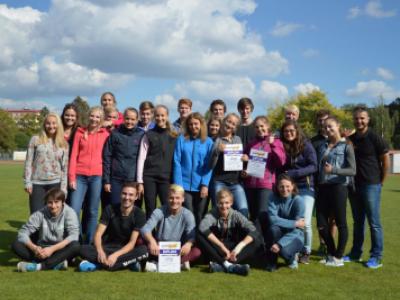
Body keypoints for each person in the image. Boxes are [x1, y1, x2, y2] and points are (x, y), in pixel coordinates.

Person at [345, 107, 390, 269]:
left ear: (368, 119)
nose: (359, 121)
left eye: (362, 118)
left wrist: (380, 182)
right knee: (358, 222)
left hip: (371, 185)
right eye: (356, 118)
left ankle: (376, 256)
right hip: (354, 186)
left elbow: (385, 161)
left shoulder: (375, 138)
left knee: (374, 223)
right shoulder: (351, 139)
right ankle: (356, 253)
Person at [79, 183, 148, 272]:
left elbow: (131, 243)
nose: (127, 197)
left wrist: (115, 255)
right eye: (124, 193)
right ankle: (127, 264)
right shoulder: (110, 209)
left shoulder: (139, 214)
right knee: (82, 249)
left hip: (124, 250)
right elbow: (98, 234)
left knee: (143, 251)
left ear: (136, 197)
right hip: (106, 248)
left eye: (131, 195)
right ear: (120, 194)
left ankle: (98, 265)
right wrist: (100, 251)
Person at [316, 117, 356, 267]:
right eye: (325, 127)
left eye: (330, 126)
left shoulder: (346, 146)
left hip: (339, 187)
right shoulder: (322, 145)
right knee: (321, 223)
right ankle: (332, 253)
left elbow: (353, 170)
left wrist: (334, 170)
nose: (327, 129)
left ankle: (339, 257)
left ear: (338, 126)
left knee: (340, 223)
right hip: (323, 187)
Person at [68, 106, 110, 244]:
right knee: (74, 210)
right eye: (92, 116)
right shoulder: (80, 133)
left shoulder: (105, 134)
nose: (94, 119)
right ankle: (76, 241)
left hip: (96, 177)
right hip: (79, 176)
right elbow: (73, 156)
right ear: (88, 116)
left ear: (101, 119)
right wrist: (71, 177)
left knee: (92, 211)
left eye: (98, 117)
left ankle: (89, 242)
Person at [12, 188, 80, 272]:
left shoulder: (70, 213)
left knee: (75, 246)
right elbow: (22, 233)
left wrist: (52, 249)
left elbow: (74, 236)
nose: (53, 206)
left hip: (60, 250)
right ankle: (56, 263)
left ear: (62, 202)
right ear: (46, 202)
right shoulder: (40, 214)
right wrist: (35, 248)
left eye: (56, 202)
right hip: (41, 250)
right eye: (50, 202)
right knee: (16, 244)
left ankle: (40, 266)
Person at [198, 189, 262, 276]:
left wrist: (239, 247)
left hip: (232, 249)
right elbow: (202, 226)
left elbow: (253, 230)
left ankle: (223, 265)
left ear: (231, 203)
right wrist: (221, 246)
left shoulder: (236, 215)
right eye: (221, 203)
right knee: (199, 235)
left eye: (227, 203)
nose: (224, 206)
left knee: (257, 239)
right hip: (217, 248)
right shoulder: (213, 213)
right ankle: (229, 265)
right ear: (217, 203)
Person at [280, 120, 317, 264]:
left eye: (291, 131)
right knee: (292, 221)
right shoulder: (284, 146)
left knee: (305, 222)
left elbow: (314, 166)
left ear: (297, 131)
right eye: (286, 131)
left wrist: (294, 173)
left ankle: (306, 251)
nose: (288, 133)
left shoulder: (306, 145)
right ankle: (293, 250)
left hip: (306, 188)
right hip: (290, 189)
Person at [140, 184, 201, 271]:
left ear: (183, 199)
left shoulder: (188, 214)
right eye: (171, 198)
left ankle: (157, 265)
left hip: (178, 251)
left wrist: (188, 244)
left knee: (197, 251)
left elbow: (192, 235)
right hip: (159, 249)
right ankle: (179, 265)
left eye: (177, 198)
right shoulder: (159, 211)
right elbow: (145, 229)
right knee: (140, 243)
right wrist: (152, 241)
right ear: (167, 198)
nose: (174, 201)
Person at [137, 105, 178, 219]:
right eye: (157, 116)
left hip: (166, 177)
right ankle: (150, 235)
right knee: (150, 207)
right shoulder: (148, 134)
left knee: (167, 207)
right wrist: (140, 181)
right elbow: (141, 158)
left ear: (167, 116)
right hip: (149, 177)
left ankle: (164, 235)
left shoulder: (174, 135)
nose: (160, 118)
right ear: (154, 117)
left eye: (162, 115)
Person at [242, 116, 286, 222]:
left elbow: (281, 162)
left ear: (268, 126)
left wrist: (272, 145)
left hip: (266, 185)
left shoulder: (276, 141)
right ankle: (254, 238)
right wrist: (244, 165)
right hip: (250, 185)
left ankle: (263, 239)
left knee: (262, 215)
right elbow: (246, 162)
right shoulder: (251, 144)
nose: (259, 129)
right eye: (256, 127)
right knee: (252, 216)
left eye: (262, 126)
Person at [173, 112, 214, 225]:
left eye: (196, 124)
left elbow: (209, 165)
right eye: (190, 124)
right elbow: (177, 162)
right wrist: (178, 185)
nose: (193, 126)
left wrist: (205, 184)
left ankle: (199, 240)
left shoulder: (208, 142)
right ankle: (189, 240)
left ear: (201, 124)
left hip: (200, 185)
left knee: (200, 215)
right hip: (184, 185)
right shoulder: (181, 139)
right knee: (188, 214)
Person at [24, 113, 69, 213]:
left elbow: (65, 168)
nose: (51, 126)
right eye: (48, 123)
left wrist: (64, 188)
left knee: (53, 216)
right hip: (37, 184)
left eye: (54, 123)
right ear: (44, 125)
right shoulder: (35, 139)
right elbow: (28, 162)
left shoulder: (64, 144)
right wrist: (27, 182)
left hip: (55, 183)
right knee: (36, 215)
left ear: (58, 125)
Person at [103, 107, 144, 206]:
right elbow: (107, 156)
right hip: (116, 178)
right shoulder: (115, 134)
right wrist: (107, 181)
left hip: (133, 179)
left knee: (134, 209)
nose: (129, 121)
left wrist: (141, 182)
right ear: (123, 118)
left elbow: (144, 159)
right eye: (127, 118)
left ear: (137, 119)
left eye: (133, 119)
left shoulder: (142, 135)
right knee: (115, 207)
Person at [209, 113, 248, 216]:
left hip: (236, 183)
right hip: (219, 182)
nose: (230, 125)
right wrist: (217, 150)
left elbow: (239, 162)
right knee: (219, 212)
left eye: (233, 124)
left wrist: (244, 159)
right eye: (229, 121)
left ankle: (239, 232)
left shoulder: (238, 139)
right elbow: (210, 164)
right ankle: (219, 232)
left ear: (235, 127)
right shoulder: (216, 139)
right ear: (224, 121)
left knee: (243, 211)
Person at [264, 174, 305, 272]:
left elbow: (298, 229)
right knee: (273, 229)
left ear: (293, 186)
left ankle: (291, 259)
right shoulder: (272, 197)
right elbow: (273, 220)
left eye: (287, 186)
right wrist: (294, 223)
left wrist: (279, 244)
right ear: (277, 187)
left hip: (295, 236)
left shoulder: (298, 201)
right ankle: (272, 263)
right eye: (281, 186)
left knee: (284, 251)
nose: (284, 189)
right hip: (279, 232)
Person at [310, 109, 336, 257]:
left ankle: (331, 244)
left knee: (333, 219)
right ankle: (322, 244)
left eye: (325, 120)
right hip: (319, 185)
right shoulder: (313, 141)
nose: (322, 122)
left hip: (334, 184)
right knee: (321, 218)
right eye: (320, 120)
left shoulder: (337, 140)